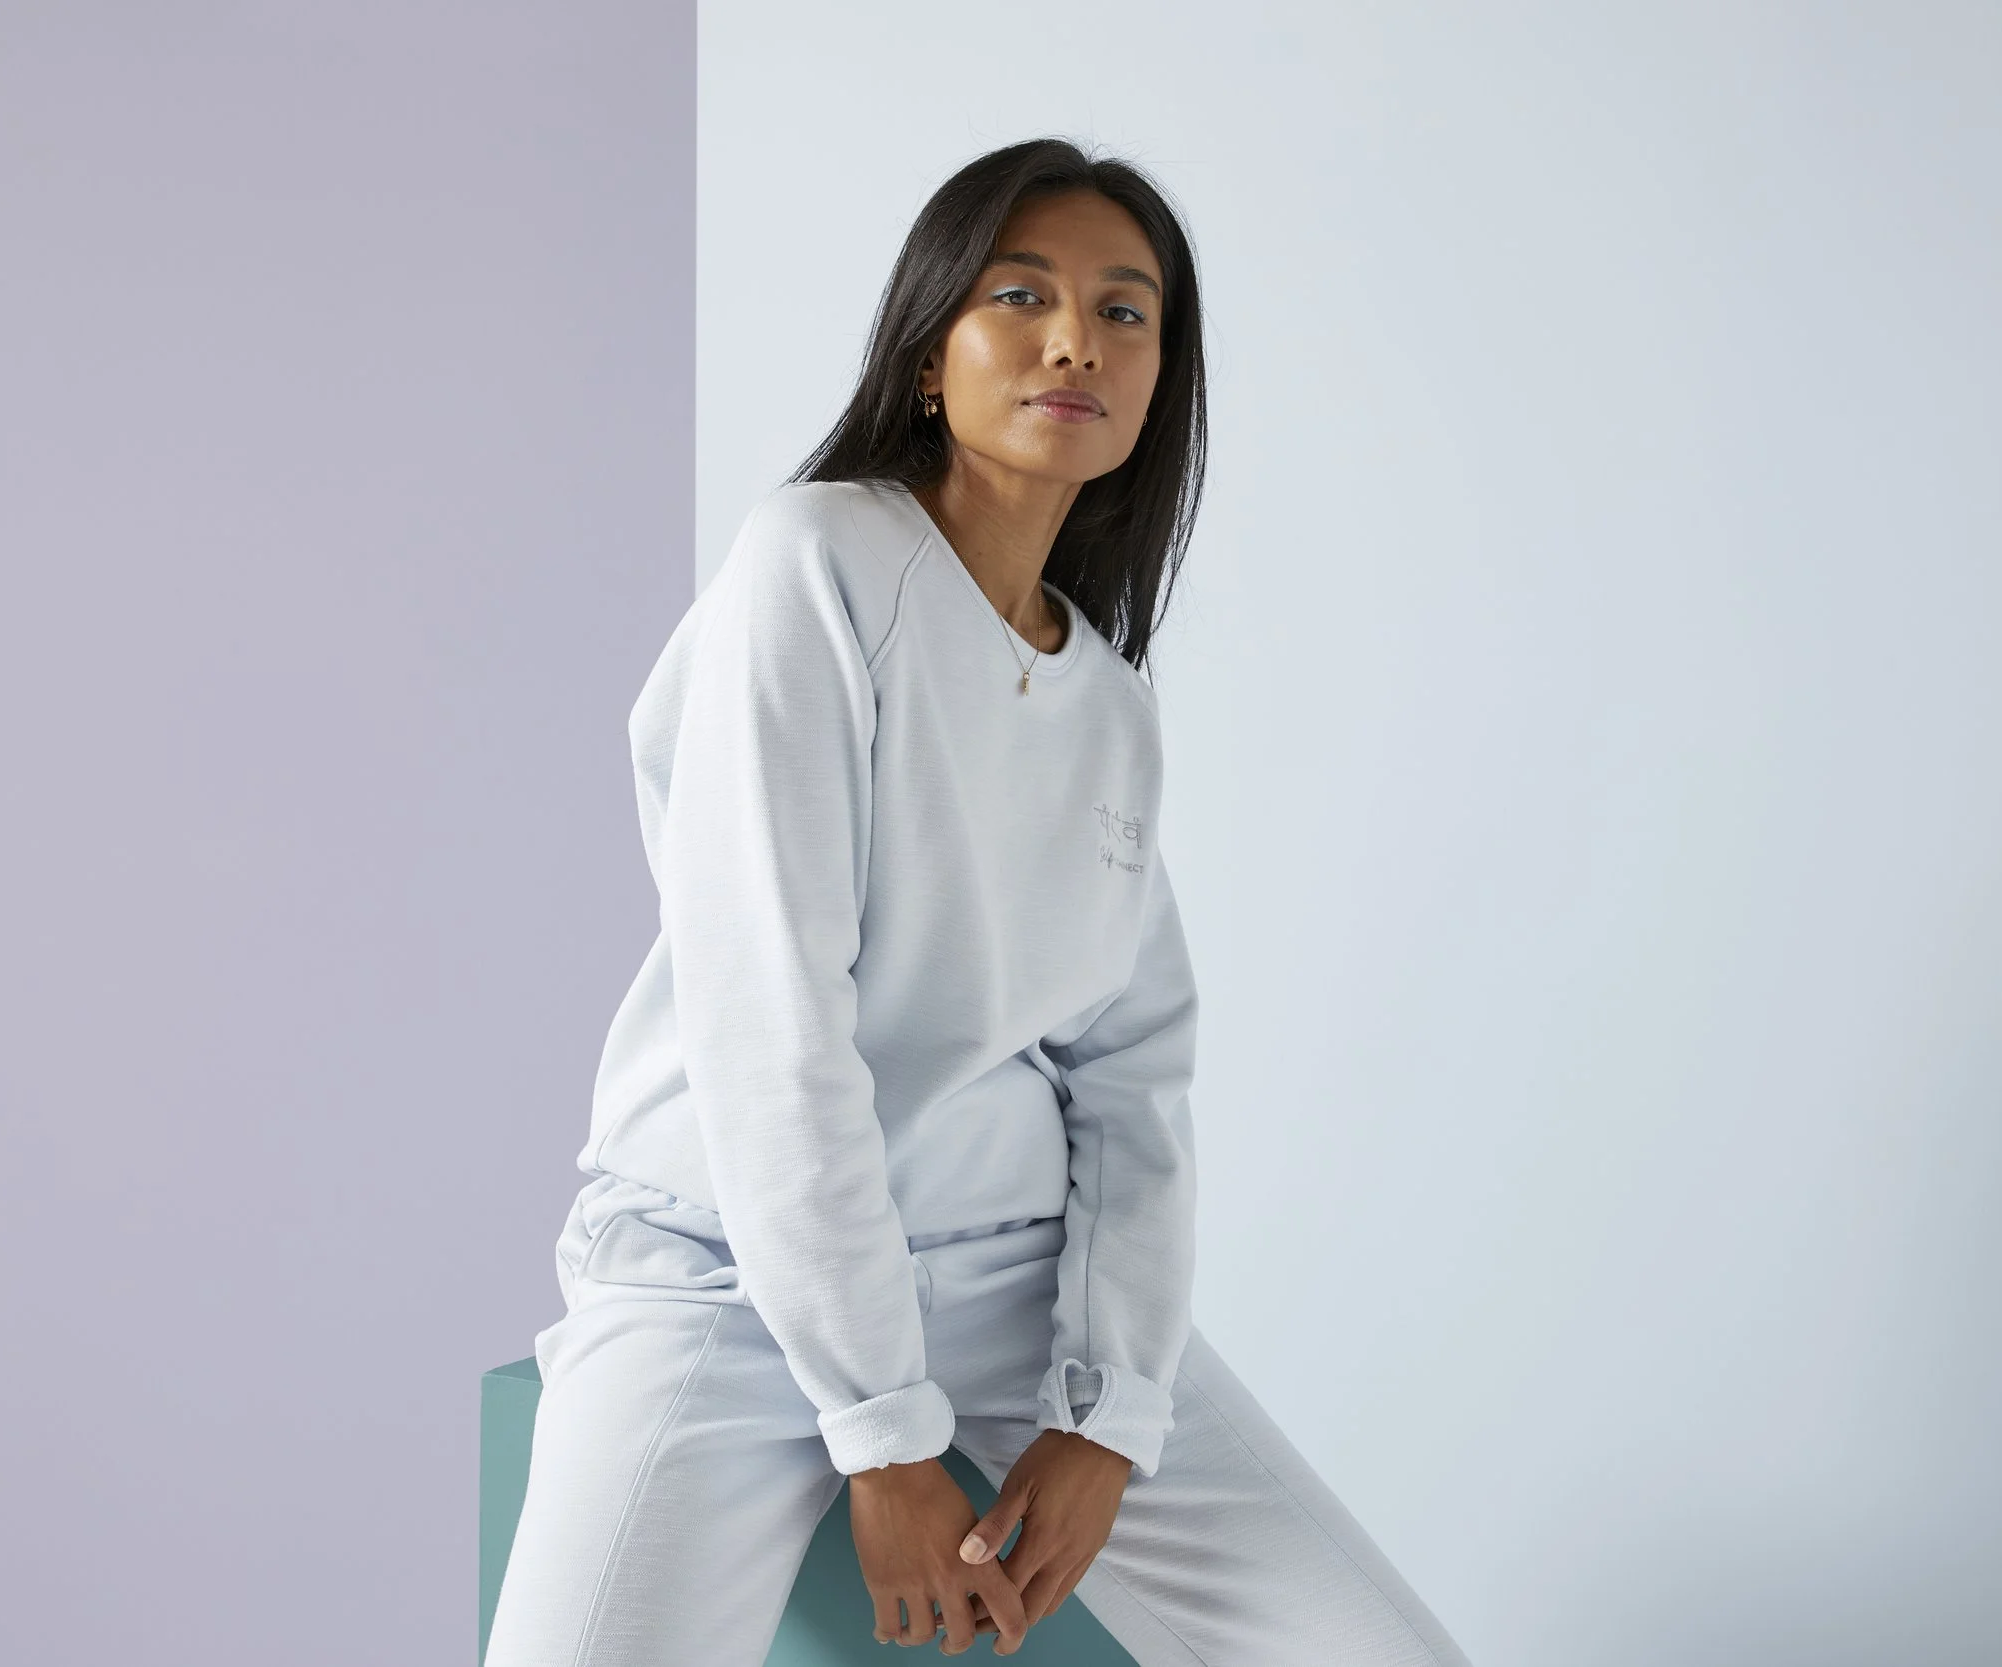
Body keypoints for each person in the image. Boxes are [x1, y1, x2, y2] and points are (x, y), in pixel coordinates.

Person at [482, 137, 1476, 1666]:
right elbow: (771, 1023)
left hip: (1014, 1290)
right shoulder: (815, 563)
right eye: (1022, 295)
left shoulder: (1107, 700)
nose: (1077, 339)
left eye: (1125, 312)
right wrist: (884, 1436)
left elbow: (1134, 1076)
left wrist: (1110, 1411)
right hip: (722, 1279)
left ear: (1158, 382)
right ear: (929, 354)